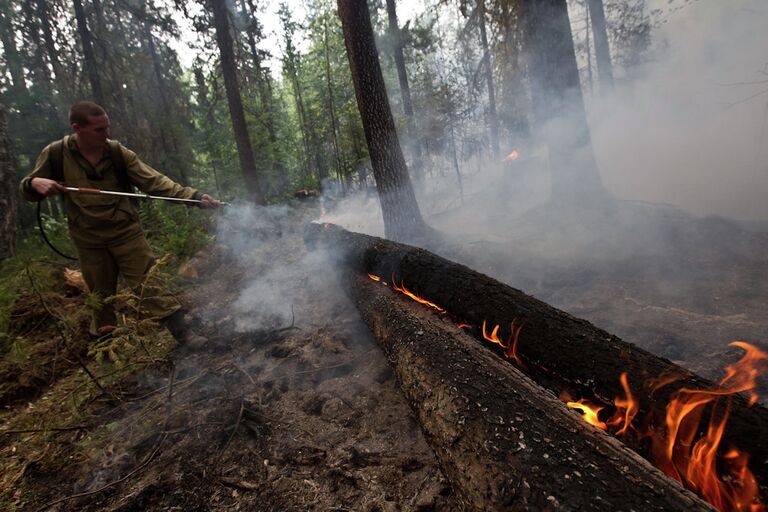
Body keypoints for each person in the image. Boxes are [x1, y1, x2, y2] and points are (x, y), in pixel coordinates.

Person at [20, 101, 220, 337]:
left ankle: (185, 336)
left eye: (107, 127)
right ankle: (106, 353)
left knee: (149, 285)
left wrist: (194, 197)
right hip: (89, 240)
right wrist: (33, 183)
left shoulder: (117, 153)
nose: (107, 135)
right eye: (99, 130)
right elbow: (27, 189)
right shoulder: (55, 154)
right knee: (100, 300)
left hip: (126, 233)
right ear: (77, 128)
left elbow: (155, 182)